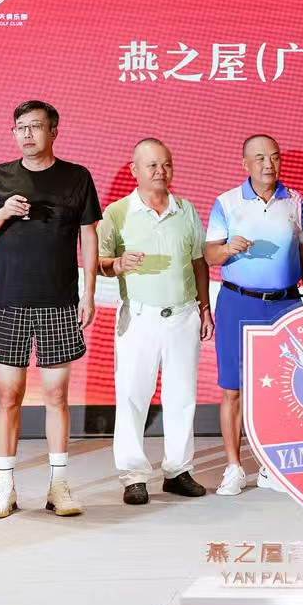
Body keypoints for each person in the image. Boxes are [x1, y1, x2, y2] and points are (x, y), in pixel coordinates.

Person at [0, 101, 102, 519]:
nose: (27, 134)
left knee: (56, 396)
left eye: (36, 126)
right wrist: (3, 212)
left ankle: (58, 485)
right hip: (8, 300)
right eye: (21, 127)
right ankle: (5, 486)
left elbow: (89, 237)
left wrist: (89, 293)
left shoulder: (77, 177)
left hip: (59, 302)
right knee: (8, 395)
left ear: (54, 131)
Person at [98, 139, 212, 506]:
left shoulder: (186, 209)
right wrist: (118, 264)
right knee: (133, 395)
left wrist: (205, 308)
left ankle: (178, 471)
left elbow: (199, 262)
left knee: (182, 396)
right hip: (139, 316)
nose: (160, 171)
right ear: (135, 170)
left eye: (166, 164)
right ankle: (134, 475)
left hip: (184, 315)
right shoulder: (117, 212)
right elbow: (98, 262)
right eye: (152, 165)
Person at [205, 134, 303, 498]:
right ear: (245, 164)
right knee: (233, 389)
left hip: (285, 304)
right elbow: (209, 255)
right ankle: (234, 467)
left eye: (274, 157)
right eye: (260, 157)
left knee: (282, 388)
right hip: (238, 302)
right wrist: (226, 249)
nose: (269, 164)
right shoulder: (227, 202)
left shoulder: (296, 202)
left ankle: (270, 463)